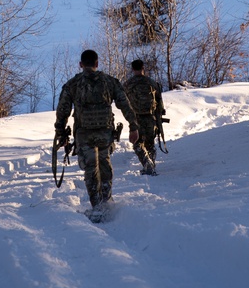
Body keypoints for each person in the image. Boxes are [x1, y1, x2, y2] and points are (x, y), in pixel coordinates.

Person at [55, 49, 139, 219]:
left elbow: (62, 110)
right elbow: (125, 104)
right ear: (97, 64)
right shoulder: (110, 82)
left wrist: (61, 133)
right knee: (104, 165)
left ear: (81, 65)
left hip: (84, 134)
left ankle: (97, 207)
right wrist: (133, 126)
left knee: (91, 169)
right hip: (105, 133)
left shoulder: (73, 84)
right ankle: (106, 201)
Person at [123, 59, 166, 175]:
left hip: (135, 118)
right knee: (150, 143)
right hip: (150, 117)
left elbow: (123, 102)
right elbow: (159, 100)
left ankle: (147, 164)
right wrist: (160, 114)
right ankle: (151, 164)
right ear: (143, 68)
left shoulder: (127, 84)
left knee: (137, 143)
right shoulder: (151, 82)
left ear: (132, 69)